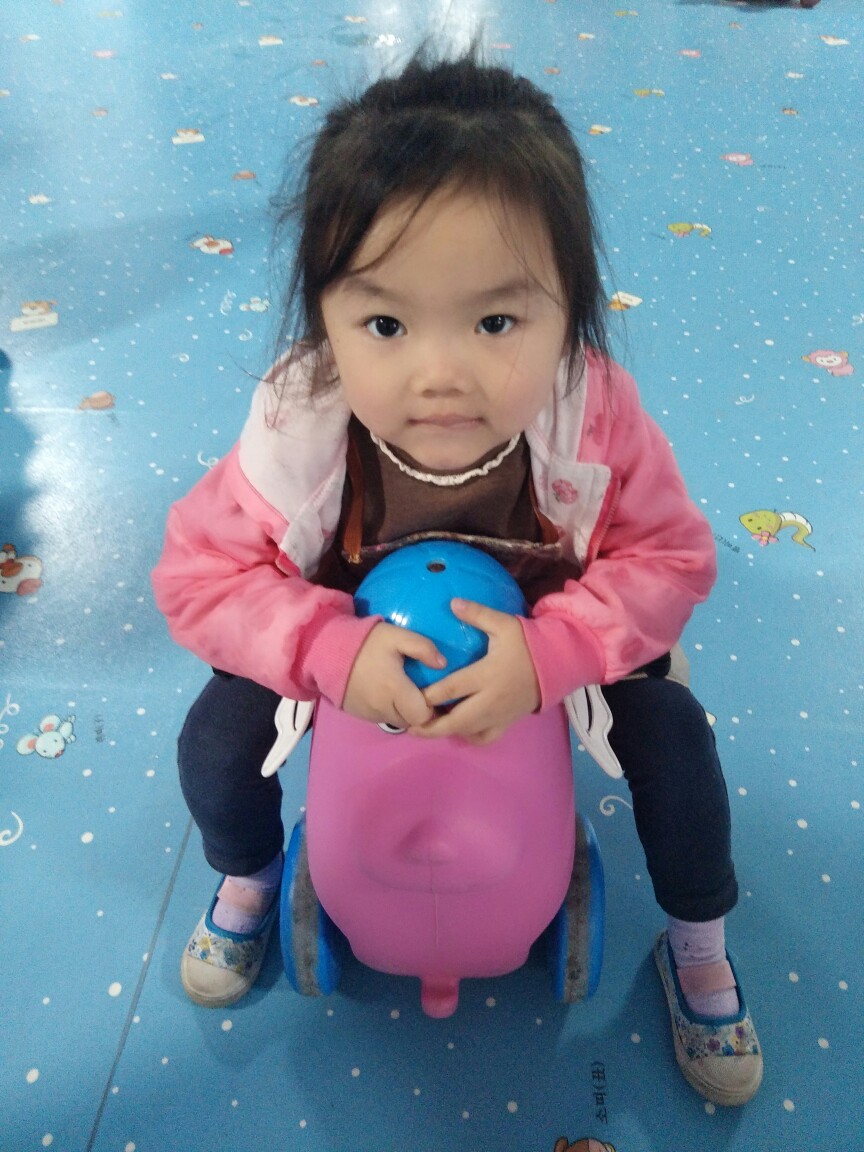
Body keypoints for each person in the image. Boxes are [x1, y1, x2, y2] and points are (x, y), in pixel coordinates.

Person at [152, 45, 761, 1107]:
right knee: (213, 742)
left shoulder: (592, 416)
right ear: (326, 320)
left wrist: (559, 651)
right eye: (385, 324)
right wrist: (321, 646)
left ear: (570, 312)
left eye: (496, 321)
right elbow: (201, 572)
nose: (440, 374)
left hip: (559, 636)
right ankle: (249, 876)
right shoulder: (303, 422)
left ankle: (697, 943)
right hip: (340, 638)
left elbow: (669, 557)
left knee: (678, 747)